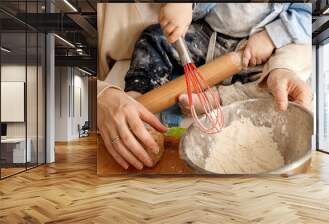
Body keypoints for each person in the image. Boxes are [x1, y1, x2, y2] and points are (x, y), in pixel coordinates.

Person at [97, 3, 312, 170]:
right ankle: (136, 95)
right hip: (207, 36)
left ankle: (217, 98)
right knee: (153, 37)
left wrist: (272, 36)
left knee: (275, 85)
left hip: (252, 49)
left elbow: (304, 15)